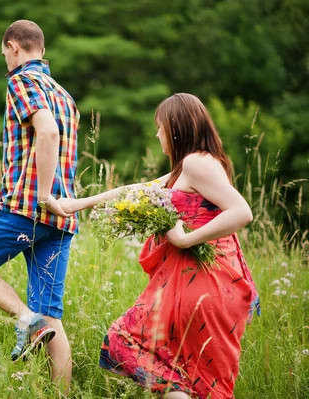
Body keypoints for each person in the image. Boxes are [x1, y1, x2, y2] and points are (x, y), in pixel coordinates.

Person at [51, 93, 260, 398]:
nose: (157, 133)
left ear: (175, 128)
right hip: (210, 285)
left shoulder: (196, 162)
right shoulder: (195, 166)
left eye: (160, 127)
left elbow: (243, 212)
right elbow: (140, 190)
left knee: (125, 342)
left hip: (202, 283)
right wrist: (78, 204)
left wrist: (184, 238)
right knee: (194, 379)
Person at [0, 20, 79, 392]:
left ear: (13, 47)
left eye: (4, 54)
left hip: (28, 207)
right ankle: (60, 393)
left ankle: (27, 320)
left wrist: (42, 194)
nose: (5, 62)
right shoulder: (64, 94)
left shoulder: (22, 81)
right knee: (52, 318)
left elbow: (47, 131)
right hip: (61, 218)